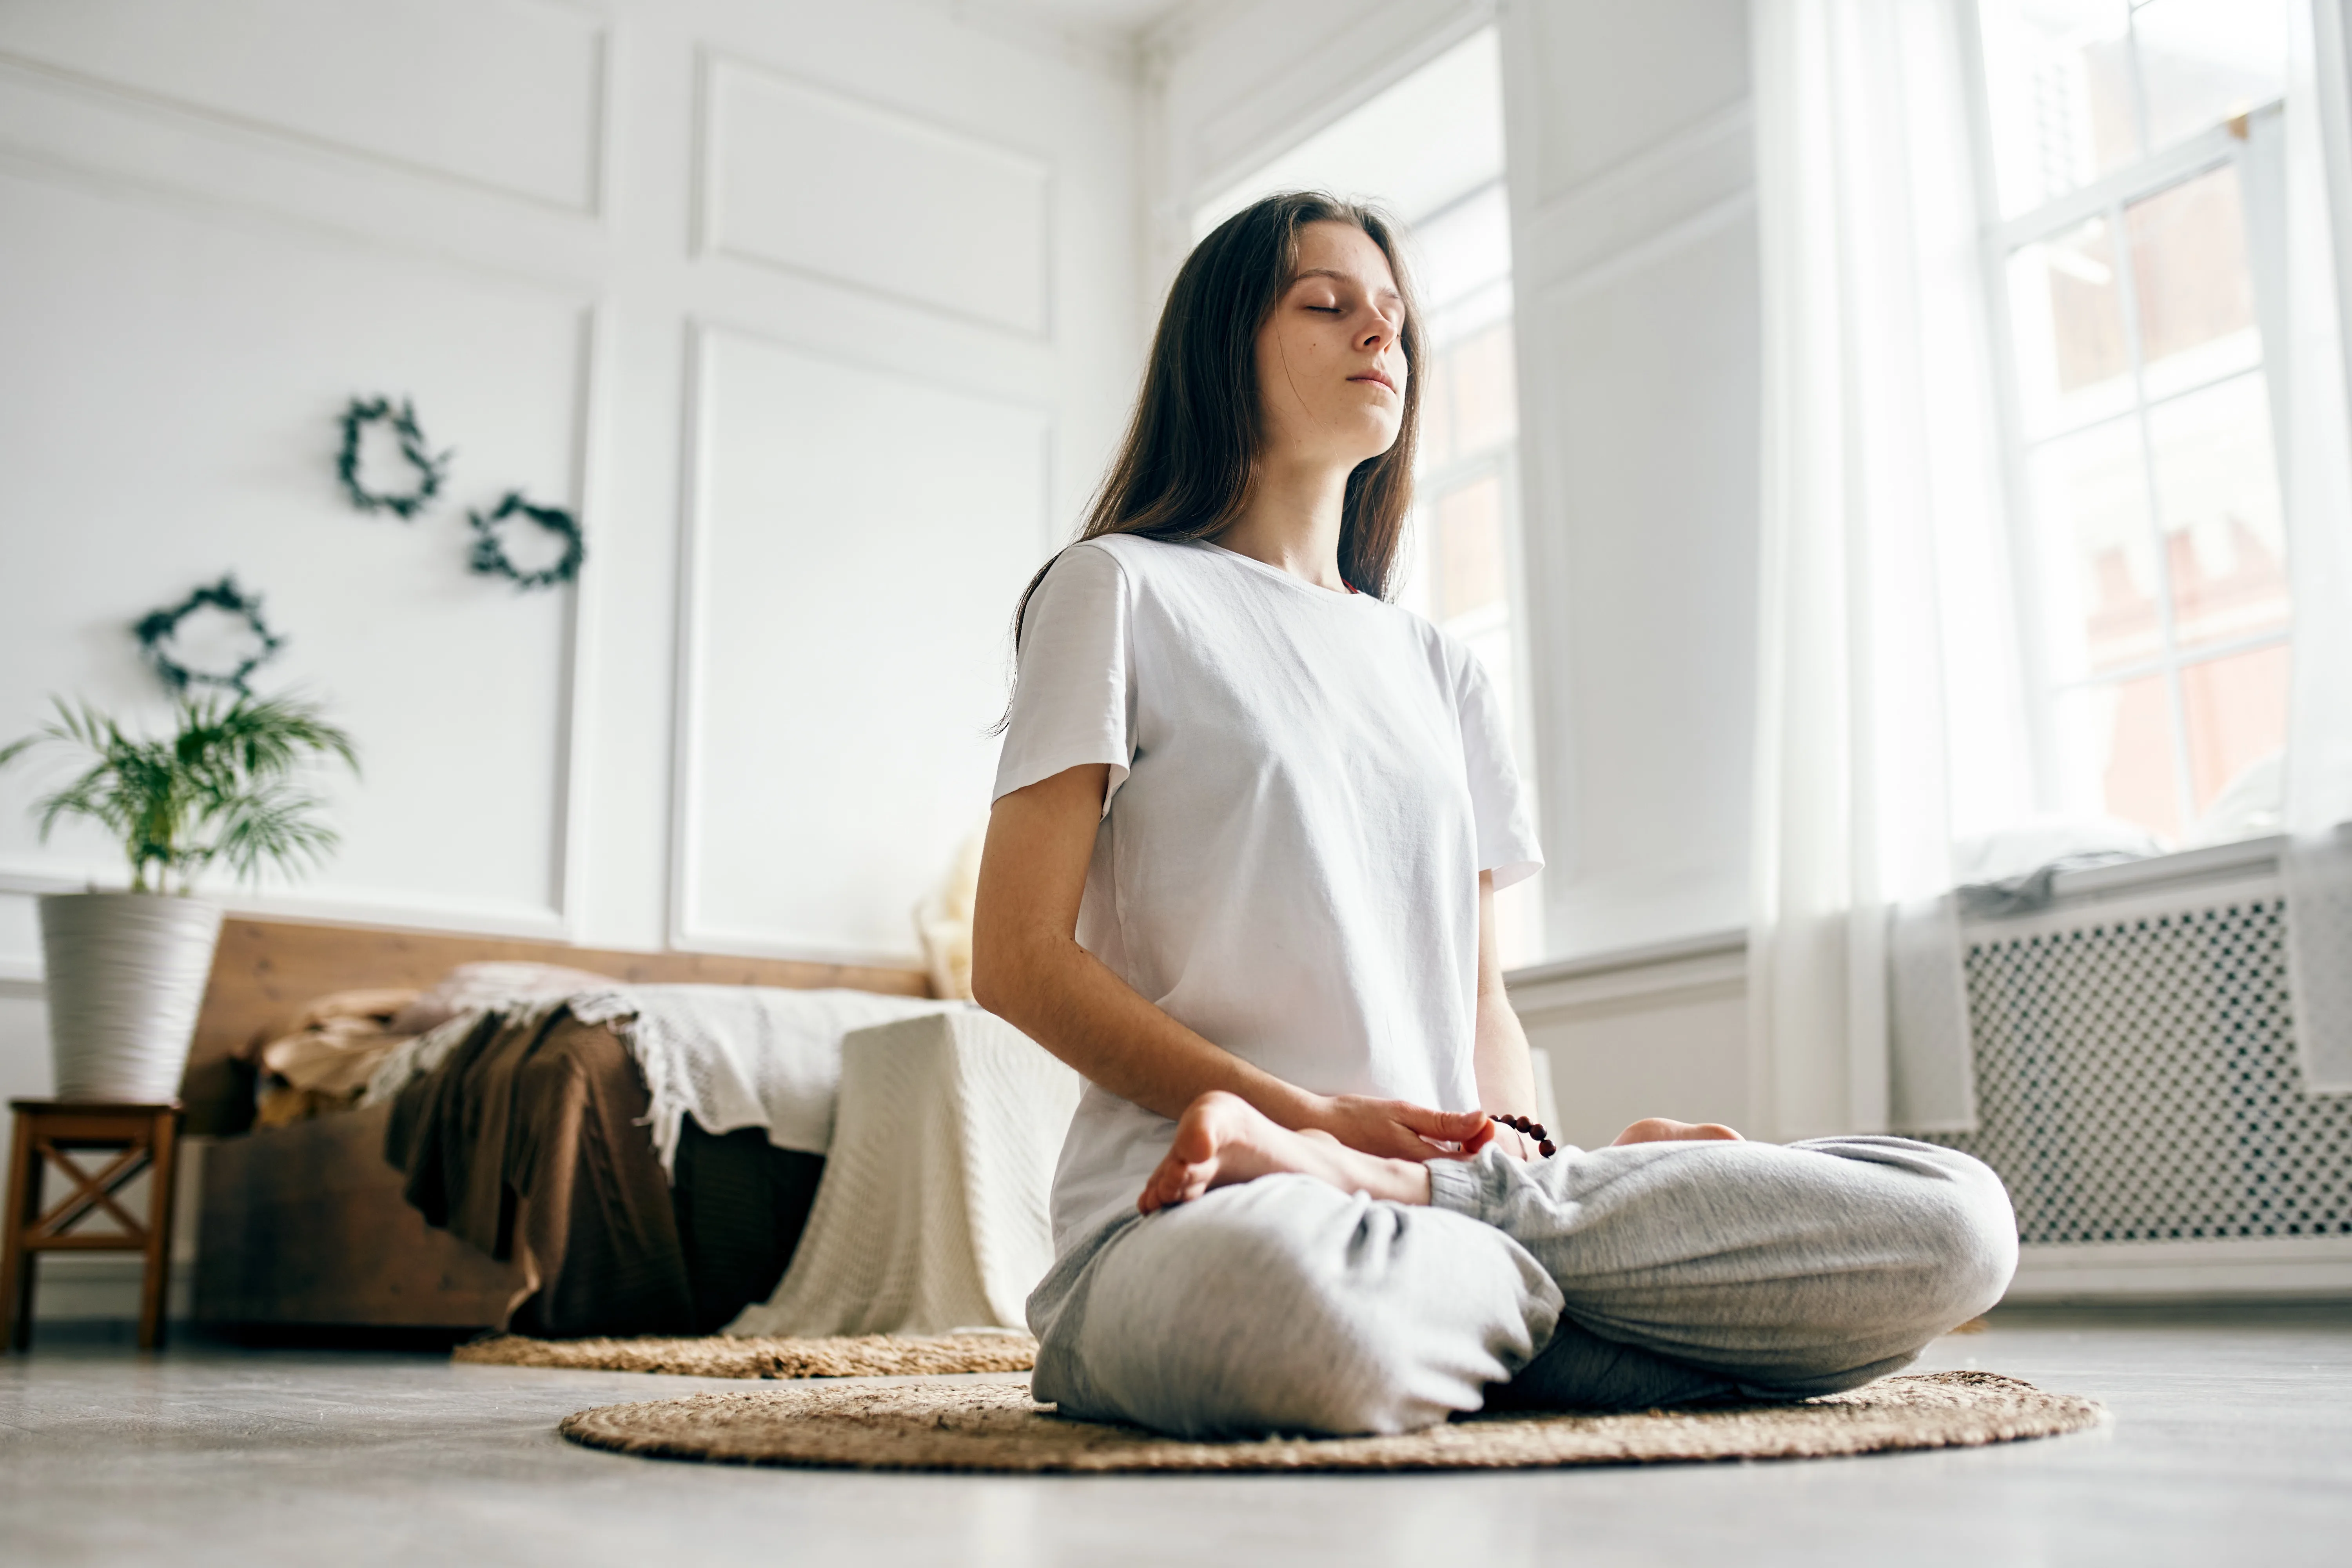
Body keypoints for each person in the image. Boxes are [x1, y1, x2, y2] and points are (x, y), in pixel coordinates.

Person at [969, 191, 2016, 1440]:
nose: (1380, 337)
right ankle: (1565, 1307)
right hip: (1203, 1221)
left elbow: (1480, 1003)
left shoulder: (1438, 668)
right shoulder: (1121, 590)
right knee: (1296, 1320)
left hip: (1443, 1202)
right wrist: (1302, 1123)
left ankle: (1484, 1256)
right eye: (1329, 305)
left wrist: (1513, 1148)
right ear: (1221, 346)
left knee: (1956, 1222)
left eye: (1396, 320)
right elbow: (1018, 961)